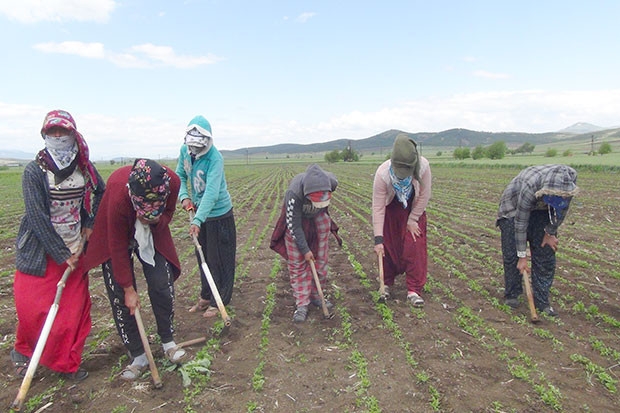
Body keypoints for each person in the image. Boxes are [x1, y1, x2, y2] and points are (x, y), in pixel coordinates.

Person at [11, 109, 105, 381]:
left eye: (62, 131)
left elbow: (100, 190)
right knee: (32, 308)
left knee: (70, 310)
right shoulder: (34, 171)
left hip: (75, 243)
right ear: (44, 135)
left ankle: (66, 363)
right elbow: (37, 218)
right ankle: (25, 350)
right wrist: (62, 254)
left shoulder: (83, 165)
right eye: (52, 132)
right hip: (41, 251)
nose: (57, 136)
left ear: (72, 134)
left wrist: (89, 222)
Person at [82, 158, 187, 381]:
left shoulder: (173, 182)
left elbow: (168, 212)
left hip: (152, 230)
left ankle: (168, 341)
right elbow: (117, 248)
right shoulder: (119, 196)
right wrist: (129, 289)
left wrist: (155, 220)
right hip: (116, 233)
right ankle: (138, 355)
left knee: (161, 282)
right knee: (121, 296)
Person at [497, 164, 579, 317]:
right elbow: (520, 224)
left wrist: (550, 231)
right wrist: (522, 256)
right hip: (514, 208)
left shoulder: (570, 179)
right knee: (512, 254)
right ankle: (512, 294)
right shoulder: (530, 186)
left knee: (545, 254)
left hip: (542, 210)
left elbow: (562, 209)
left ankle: (542, 301)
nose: (562, 197)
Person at [176, 115, 237, 319]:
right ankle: (205, 295)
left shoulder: (215, 158)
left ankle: (219, 300)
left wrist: (197, 220)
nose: (194, 152)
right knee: (202, 257)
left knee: (219, 259)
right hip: (199, 212)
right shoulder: (185, 150)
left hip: (219, 215)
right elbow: (180, 176)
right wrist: (184, 197)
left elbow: (211, 192)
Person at [270, 164, 340, 323]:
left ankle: (317, 295)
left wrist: (315, 253)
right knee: (298, 264)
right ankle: (302, 303)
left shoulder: (331, 182)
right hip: (297, 222)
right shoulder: (293, 194)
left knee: (321, 260)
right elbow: (293, 225)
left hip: (320, 217)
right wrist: (305, 250)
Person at [372, 133, 431, 307]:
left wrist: (412, 219)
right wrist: (378, 239)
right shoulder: (383, 174)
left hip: (414, 210)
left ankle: (414, 290)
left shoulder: (423, 167)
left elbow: (425, 195)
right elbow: (378, 207)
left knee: (414, 245)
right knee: (389, 246)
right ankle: (387, 283)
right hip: (391, 210)